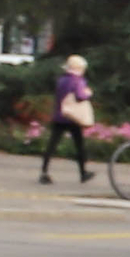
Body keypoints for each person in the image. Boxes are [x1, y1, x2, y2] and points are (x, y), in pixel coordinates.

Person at [39, 54, 93, 184]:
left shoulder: (61, 80)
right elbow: (80, 96)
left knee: (52, 144)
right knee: (79, 145)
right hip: (72, 117)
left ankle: (44, 172)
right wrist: (88, 94)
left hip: (59, 115)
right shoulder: (78, 81)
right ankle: (83, 173)